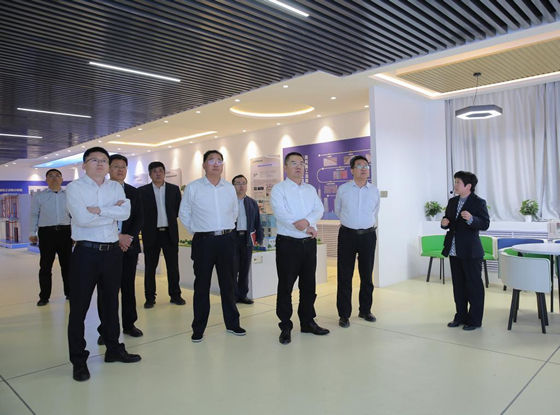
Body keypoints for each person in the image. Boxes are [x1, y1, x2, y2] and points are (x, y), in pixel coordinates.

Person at [66, 147, 141, 382]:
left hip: (112, 253)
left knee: (110, 304)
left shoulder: (115, 187)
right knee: (79, 308)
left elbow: (125, 213)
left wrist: (98, 210)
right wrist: (110, 213)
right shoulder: (75, 188)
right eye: (94, 160)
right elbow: (81, 218)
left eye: (103, 160)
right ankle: (79, 360)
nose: (100, 164)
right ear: (84, 165)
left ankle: (114, 349)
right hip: (85, 253)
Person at [179, 150, 245, 342]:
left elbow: (234, 211)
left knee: (229, 284)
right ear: (204, 165)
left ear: (222, 165)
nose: (216, 164)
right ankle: (198, 327)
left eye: (219, 161)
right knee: (202, 285)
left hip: (226, 240)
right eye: (211, 160)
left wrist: (226, 229)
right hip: (204, 241)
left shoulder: (229, 188)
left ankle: (232, 323)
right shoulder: (194, 188)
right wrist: (198, 231)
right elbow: (184, 213)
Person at [271, 152, 329, 345]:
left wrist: (307, 222)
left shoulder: (310, 189)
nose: (298, 166)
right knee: (286, 286)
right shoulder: (279, 189)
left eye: (301, 163)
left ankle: (307, 321)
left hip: (308, 244)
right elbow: (281, 214)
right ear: (285, 167)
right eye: (294, 163)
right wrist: (305, 226)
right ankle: (285, 326)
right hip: (288, 244)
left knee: (308, 285)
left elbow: (319, 209)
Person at [97, 155, 144, 346]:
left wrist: (128, 237)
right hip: (106, 246)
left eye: (123, 167)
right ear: (109, 169)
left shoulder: (133, 192)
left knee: (128, 287)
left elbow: (139, 217)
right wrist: (117, 236)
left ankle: (129, 324)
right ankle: (106, 329)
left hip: (128, 246)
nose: (120, 170)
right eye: (116, 166)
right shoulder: (101, 191)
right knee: (106, 290)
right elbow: (99, 216)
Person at [334, 155, 380, 328]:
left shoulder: (374, 191)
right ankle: (344, 314)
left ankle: (365, 310)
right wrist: (352, 224)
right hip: (347, 235)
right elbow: (338, 210)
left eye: (366, 166)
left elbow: (375, 211)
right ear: (352, 170)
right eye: (359, 165)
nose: (364, 169)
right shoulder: (343, 189)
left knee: (367, 275)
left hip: (368, 235)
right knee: (344, 275)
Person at [441, 171, 490, 331]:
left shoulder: (478, 202)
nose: (455, 185)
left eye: (458, 182)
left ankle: (474, 320)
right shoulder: (452, 201)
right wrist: (444, 223)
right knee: (458, 286)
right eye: (455, 182)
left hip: (471, 251)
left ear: (468, 186)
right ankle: (460, 316)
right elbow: (449, 221)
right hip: (454, 250)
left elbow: (485, 224)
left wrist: (471, 219)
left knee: (474, 287)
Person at [139, 161, 185, 308]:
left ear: (164, 173)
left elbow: (177, 209)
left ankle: (175, 295)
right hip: (151, 234)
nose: (158, 173)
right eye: (154, 171)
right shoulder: (142, 191)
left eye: (160, 170)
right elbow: (140, 213)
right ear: (150, 174)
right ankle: (150, 298)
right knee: (150, 268)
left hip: (169, 233)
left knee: (173, 267)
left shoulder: (173, 189)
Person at [29, 169, 72, 306]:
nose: (54, 178)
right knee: (45, 266)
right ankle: (44, 296)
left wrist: (76, 234)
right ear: (46, 180)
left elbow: (74, 215)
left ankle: (70, 293)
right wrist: (32, 232)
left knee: (68, 266)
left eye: (57, 176)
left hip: (65, 232)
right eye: (51, 176)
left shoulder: (69, 195)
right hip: (46, 234)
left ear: (62, 179)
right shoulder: (39, 196)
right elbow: (34, 214)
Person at [232, 174, 264, 305]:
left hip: (247, 239)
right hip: (232, 239)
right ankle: (233, 296)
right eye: (238, 183)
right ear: (233, 186)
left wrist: (260, 238)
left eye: (243, 183)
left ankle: (243, 295)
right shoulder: (229, 202)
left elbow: (257, 222)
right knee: (232, 269)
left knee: (245, 269)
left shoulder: (252, 202)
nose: (241, 186)